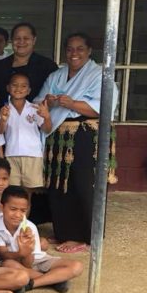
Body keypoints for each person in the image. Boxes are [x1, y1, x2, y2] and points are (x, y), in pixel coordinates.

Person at [35, 32, 118, 253]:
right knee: (60, 184)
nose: (74, 53)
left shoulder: (99, 75)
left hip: (85, 134)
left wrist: (72, 104)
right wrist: (48, 102)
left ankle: (85, 236)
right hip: (58, 135)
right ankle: (64, 232)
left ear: (89, 51)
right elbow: (38, 102)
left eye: (80, 48)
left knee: (84, 183)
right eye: (70, 49)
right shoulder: (57, 76)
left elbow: (105, 107)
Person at [0, 186, 83, 293]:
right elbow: (3, 254)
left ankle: (32, 284)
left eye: (22, 210)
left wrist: (27, 251)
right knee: (7, 264)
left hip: (37, 260)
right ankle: (54, 280)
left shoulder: (29, 227)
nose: (18, 215)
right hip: (15, 262)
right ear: (1, 207)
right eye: (13, 209)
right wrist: (21, 253)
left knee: (77, 266)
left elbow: (29, 263)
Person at [0, 72, 52, 191]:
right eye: (15, 85)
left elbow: (47, 129)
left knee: (28, 193)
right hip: (11, 154)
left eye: (23, 86)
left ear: (29, 90)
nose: (19, 89)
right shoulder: (5, 109)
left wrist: (47, 117)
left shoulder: (34, 108)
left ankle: (27, 211)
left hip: (33, 155)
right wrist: (2, 119)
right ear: (8, 88)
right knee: (11, 192)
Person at [0, 22, 57, 104]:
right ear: (11, 41)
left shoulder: (47, 66)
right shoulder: (0, 66)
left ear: (34, 40)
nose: (21, 42)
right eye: (17, 38)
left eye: (26, 38)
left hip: (38, 114)